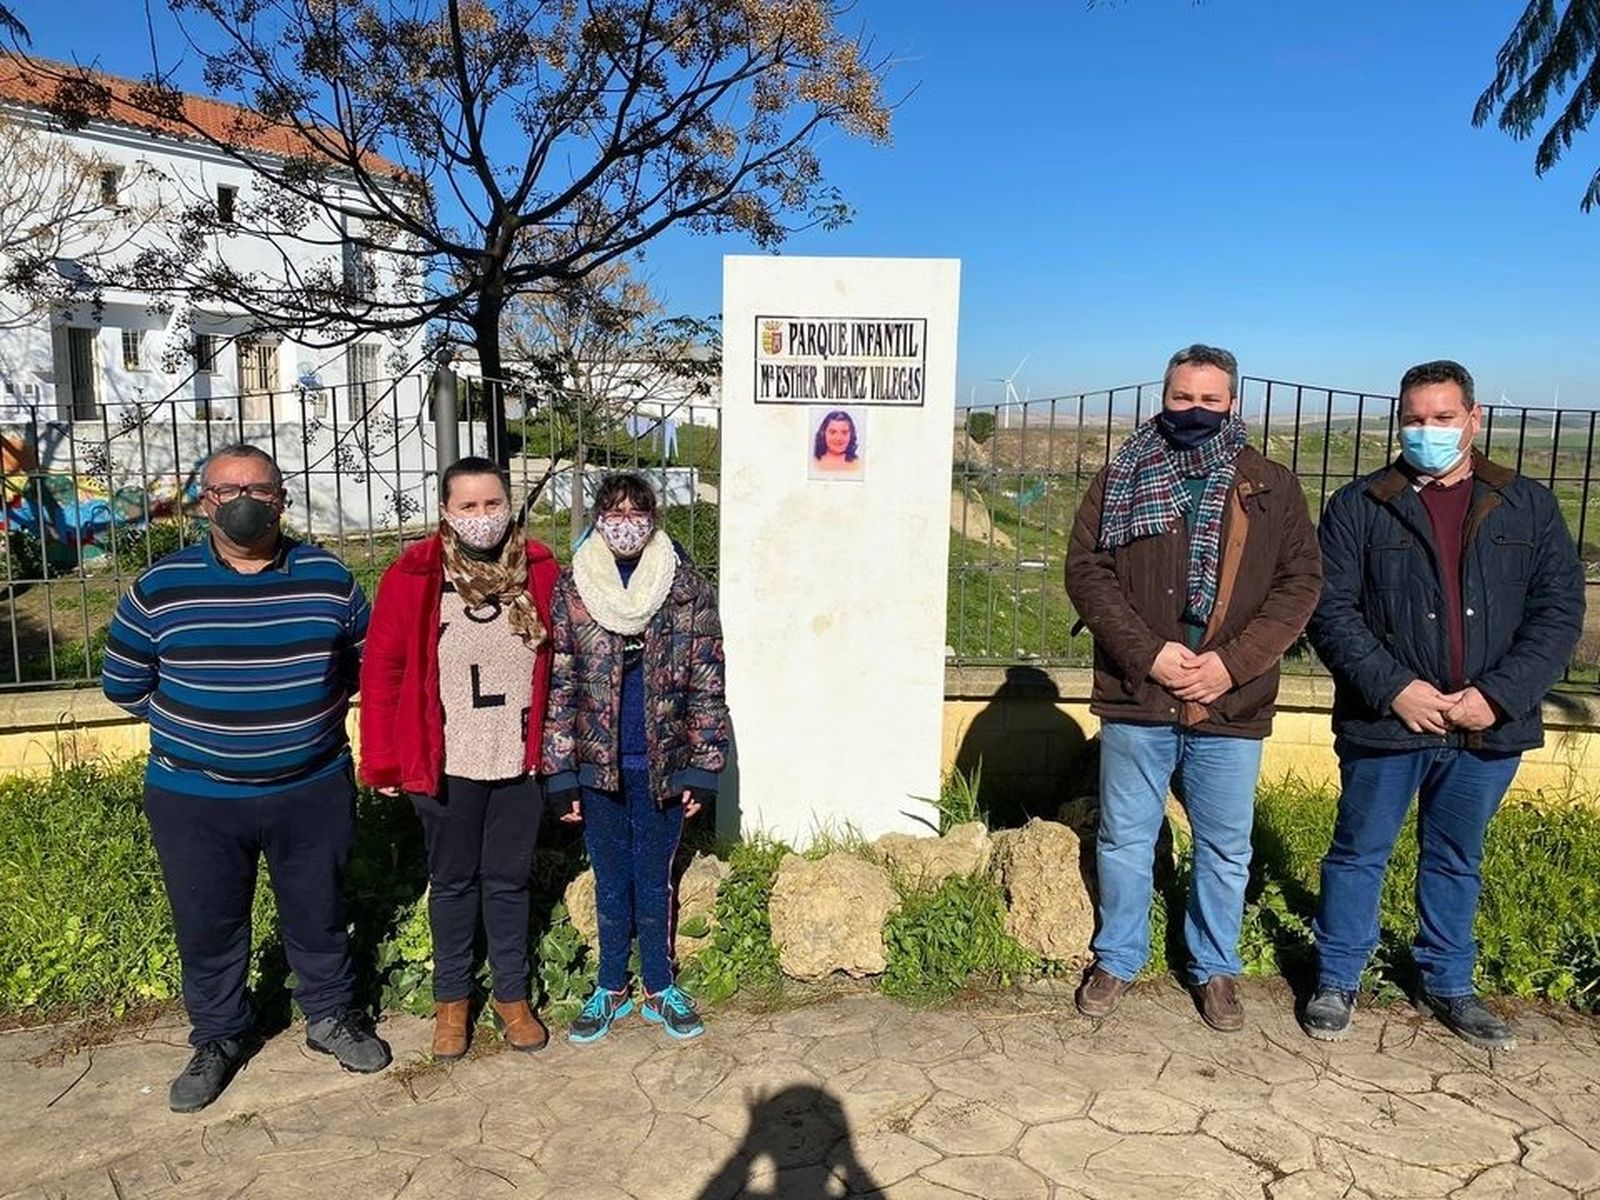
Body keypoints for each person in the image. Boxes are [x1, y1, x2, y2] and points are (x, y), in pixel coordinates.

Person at [1301, 360, 1584, 1050]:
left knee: (1457, 856)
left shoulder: (1527, 504)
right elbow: (1329, 610)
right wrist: (1394, 687)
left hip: (1486, 728)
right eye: (1415, 419)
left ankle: (1449, 982)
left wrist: (1498, 695)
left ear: (1474, 418)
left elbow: (1558, 612)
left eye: (1443, 417)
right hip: (1385, 721)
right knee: (1357, 853)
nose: (1427, 431)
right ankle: (1337, 978)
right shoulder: (1360, 504)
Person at [102, 443, 388, 1114]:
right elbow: (123, 683)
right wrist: (202, 734)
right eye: (226, 492)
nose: (243, 503)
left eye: (257, 490)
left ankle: (328, 1016)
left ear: (281, 499)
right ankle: (219, 1037)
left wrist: (293, 723)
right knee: (209, 924)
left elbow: (362, 668)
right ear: (205, 503)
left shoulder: (329, 579)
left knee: (319, 916)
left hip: (311, 787)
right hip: (195, 796)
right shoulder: (159, 588)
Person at [1065, 344, 1322, 1031]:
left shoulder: (1270, 485)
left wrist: (1231, 664)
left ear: (1232, 403)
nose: (1196, 410)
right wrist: (1148, 655)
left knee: (1225, 844)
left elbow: (1300, 585)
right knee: (1124, 836)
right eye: (1184, 397)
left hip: (1231, 700)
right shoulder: (1121, 475)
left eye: (1211, 400)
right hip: (1138, 691)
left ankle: (1214, 966)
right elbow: (1088, 570)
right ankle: (1118, 956)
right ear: (1163, 396)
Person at [359, 456, 560, 1060]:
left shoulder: (542, 572)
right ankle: (452, 1004)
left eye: (492, 503)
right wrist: (385, 759)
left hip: (519, 758)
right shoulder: (415, 575)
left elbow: (565, 661)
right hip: (444, 758)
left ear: (510, 505)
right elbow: (386, 668)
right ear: (446, 511)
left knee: (507, 881)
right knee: (451, 883)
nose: (481, 517)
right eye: (467, 506)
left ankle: (511, 998)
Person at [542, 472, 729, 1043]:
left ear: (653, 519)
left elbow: (707, 680)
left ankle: (657, 985)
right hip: (599, 768)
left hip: (664, 765)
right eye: (615, 512)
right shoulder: (574, 589)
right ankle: (608, 987)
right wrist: (561, 774)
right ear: (599, 518)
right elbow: (561, 685)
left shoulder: (685, 588)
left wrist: (703, 766)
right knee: (609, 877)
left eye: (637, 513)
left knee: (654, 878)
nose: (626, 524)